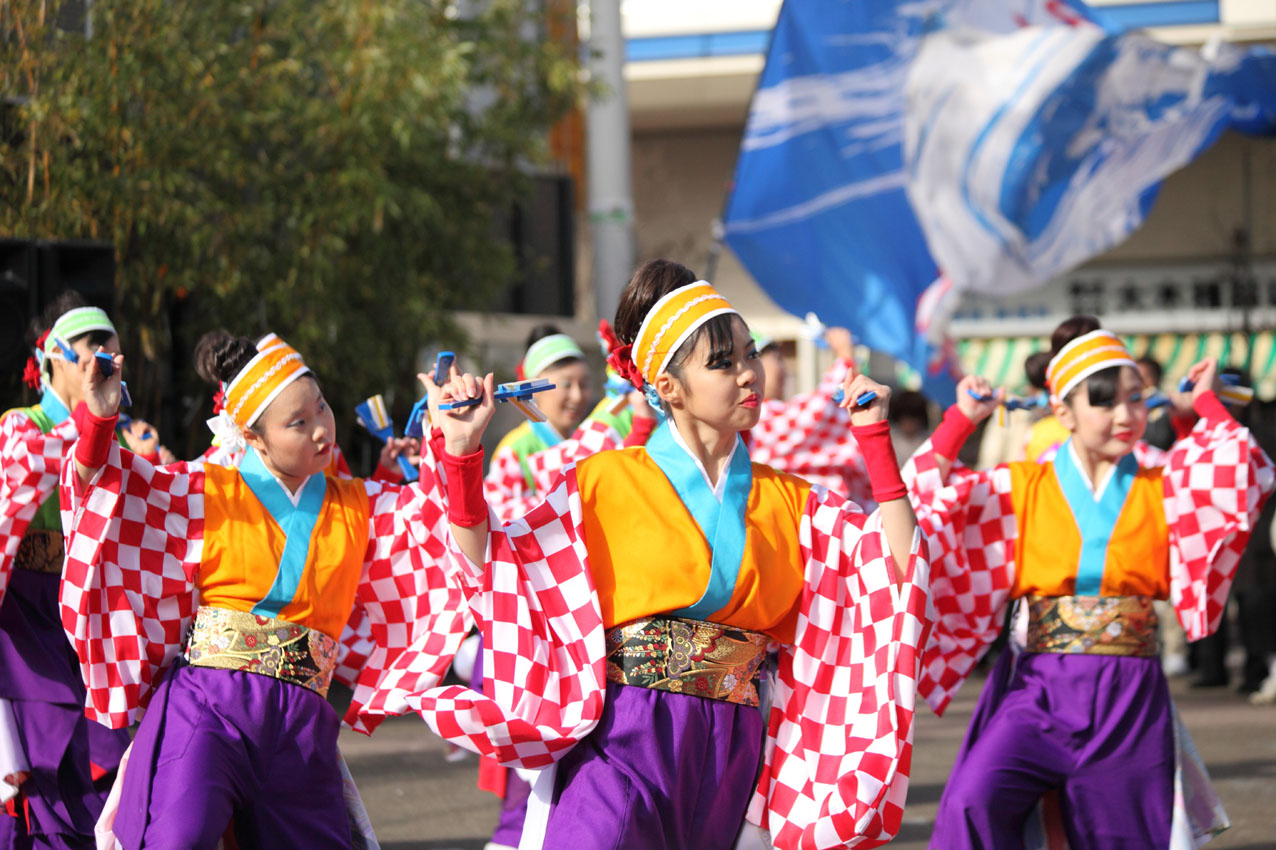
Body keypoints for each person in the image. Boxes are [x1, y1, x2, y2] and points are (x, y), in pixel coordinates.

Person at [388, 259, 932, 850]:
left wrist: (875, 444)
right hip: (625, 732)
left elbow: (897, 574)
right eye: (724, 363)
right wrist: (463, 452)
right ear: (666, 387)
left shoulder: (792, 499)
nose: (750, 374)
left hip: (733, 743)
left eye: (750, 354)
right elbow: (493, 564)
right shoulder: (605, 481)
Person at [59, 332, 470, 849]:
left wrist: (458, 445)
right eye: (298, 423)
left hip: (301, 720)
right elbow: (106, 494)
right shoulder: (206, 490)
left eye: (321, 407)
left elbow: (444, 524)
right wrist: (99, 421)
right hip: (209, 704)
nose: (322, 429)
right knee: (176, 838)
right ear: (253, 438)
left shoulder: (363, 505)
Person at [903, 316, 1274, 849]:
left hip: (1129, 693)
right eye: (1105, 401)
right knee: (971, 803)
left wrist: (1205, 406)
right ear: (1063, 412)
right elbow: (922, 498)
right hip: (1038, 688)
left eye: (1137, 399)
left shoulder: (1162, 484)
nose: (1126, 415)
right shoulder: (1021, 485)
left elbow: (1245, 471)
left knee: (1120, 836)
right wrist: (961, 420)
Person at [0, 295, 135, 849]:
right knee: (44, 772)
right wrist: (93, 425)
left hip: (92, 621)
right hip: (29, 622)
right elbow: (36, 469)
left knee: (105, 769)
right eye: (92, 351)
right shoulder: (20, 425)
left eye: (114, 354)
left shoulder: (116, 437)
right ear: (53, 356)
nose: (105, 361)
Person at [746, 328, 872, 504]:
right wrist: (845, 357)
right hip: (802, 519)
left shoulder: (774, 412)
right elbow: (818, 409)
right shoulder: (756, 418)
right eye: (776, 359)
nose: (783, 369)